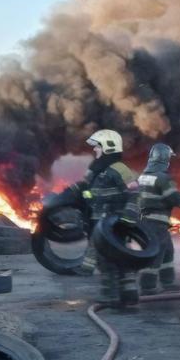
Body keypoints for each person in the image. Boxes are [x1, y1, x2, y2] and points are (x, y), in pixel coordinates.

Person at [58, 129, 141, 307]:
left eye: (97, 147)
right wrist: (64, 195)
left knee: (108, 259)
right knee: (119, 257)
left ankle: (111, 295)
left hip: (115, 221)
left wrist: (129, 215)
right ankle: (128, 294)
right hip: (99, 221)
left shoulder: (120, 168)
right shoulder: (96, 169)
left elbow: (134, 191)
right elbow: (83, 186)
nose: (94, 150)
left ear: (108, 147)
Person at [136, 143, 180, 294]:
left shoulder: (143, 177)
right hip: (157, 222)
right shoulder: (163, 178)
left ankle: (167, 282)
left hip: (144, 221)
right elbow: (175, 199)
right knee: (156, 252)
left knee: (167, 251)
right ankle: (148, 286)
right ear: (165, 159)